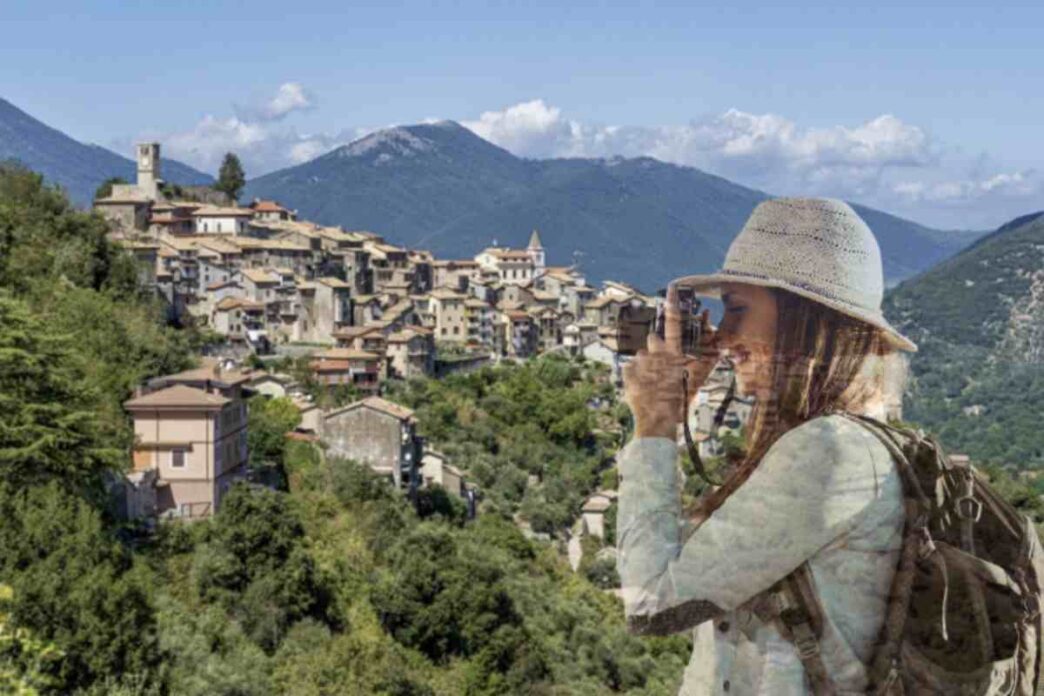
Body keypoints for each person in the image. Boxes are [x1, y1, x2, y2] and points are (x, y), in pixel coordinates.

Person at [617, 197, 917, 695]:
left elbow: (651, 601)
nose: (724, 335)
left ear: (803, 319)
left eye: (737, 309)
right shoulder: (854, 441)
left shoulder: (829, 452)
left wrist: (655, 425)